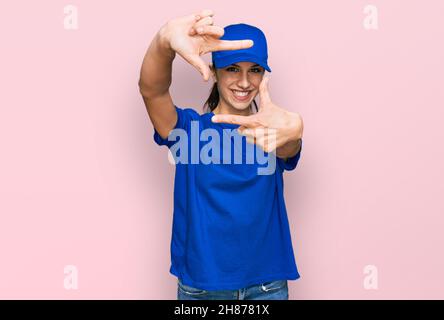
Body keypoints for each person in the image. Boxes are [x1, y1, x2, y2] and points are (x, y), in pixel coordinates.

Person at [138, 9, 304, 300]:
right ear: (214, 71)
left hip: (267, 287)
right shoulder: (188, 132)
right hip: (203, 289)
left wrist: (295, 133)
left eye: (254, 69)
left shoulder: (271, 132)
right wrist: (163, 42)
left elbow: (288, 148)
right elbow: (152, 91)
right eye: (232, 69)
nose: (244, 82)